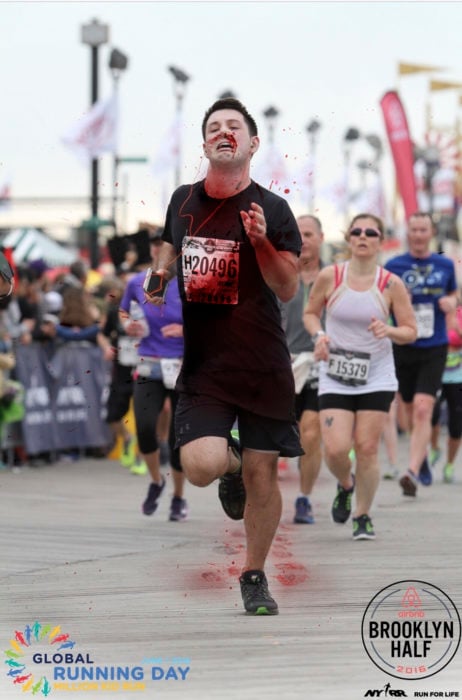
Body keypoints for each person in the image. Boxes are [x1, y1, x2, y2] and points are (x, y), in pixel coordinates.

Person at [146, 97, 302, 615]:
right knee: (200, 466)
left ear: (253, 144)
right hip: (206, 366)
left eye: (235, 126)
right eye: (215, 126)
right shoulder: (183, 198)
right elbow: (171, 241)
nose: (224, 131)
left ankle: (254, 574)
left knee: (265, 476)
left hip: (262, 366)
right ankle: (229, 465)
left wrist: (260, 243)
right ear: (206, 143)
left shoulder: (273, 210)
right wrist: (163, 271)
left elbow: (286, 288)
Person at [304, 213, 417, 540]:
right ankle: (345, 484)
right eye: (357, 231)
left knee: (367, 447)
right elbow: (311, 314)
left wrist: (389, 329)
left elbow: (410, 331)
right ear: (349, 238)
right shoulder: (331, 276)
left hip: (376, 374)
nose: (363, 236)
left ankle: (363, 515)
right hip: (336, 372)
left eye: (371, 232)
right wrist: (319, 337)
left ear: (380, 240)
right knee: (336, 449)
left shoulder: (390, 284)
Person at [384, 212, 458, 496]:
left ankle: (412, 471)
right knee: (408, 410)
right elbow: (383, 301)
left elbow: (454, 294)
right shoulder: (394, 266)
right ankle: (422, 456)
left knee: (425, 409)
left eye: (422, 229)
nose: (417, 234)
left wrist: (451, 301)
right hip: (404, 345)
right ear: (408, 233)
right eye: (413, 229)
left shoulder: (444, 264)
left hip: (434, 345)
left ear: (430, 233)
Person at [120, 230, 188, 522]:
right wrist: (128, 326)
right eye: (157, 246)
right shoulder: (138, 282)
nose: (162, 250)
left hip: (183, 364)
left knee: (178, 436)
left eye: (167, 246)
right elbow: (124, 312)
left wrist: (188, 330)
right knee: (145, 427)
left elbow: (212, 322)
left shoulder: (190, 284)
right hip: (149, 363)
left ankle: (178, 496)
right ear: (151, 250)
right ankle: (156, 481)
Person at [281, 214, 324, 524]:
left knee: (310, 432)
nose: (304, 239)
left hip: (322, 365)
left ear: (321, 238)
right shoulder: (279, 276)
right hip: (281, 365)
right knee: (271, 442)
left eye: (309, 233)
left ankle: (304, 498)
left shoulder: (334, 277)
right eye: (299, 233)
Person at [429, 303, 462, 484]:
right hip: (436, 374)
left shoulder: (460, 315)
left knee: (456, 426)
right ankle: (434, 447)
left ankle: (449, 464)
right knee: (431, 416)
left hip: (458, 378)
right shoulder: (436, 312)